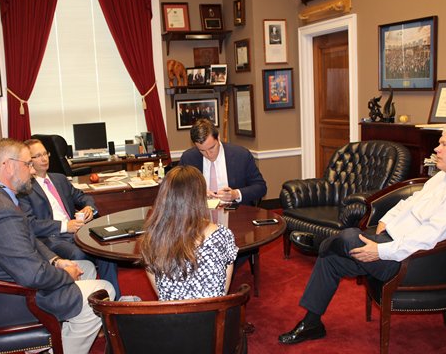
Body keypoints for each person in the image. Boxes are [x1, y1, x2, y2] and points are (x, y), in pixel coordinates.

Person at [278, 125, 446, 345]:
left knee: (349, 237)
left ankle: (319, 243)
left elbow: (428, 238)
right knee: (332, 256)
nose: (437, 149)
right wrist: (387, 219)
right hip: (395, 242)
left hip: (412, 263)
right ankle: (311, 323)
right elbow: (409, 202)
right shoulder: (444, 177)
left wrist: (380, 251)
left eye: (444, 144)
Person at [0, 138, 115, 354]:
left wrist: (56, 260)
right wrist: (65, 274)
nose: (32, 170)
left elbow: (28, 238)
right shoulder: (0, 210)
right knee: (102, 291)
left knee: (85, 267)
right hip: (5, 302)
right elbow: (33, 275)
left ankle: (50, 349)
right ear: (9, 166)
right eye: (27, 164)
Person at [18, 138, 122, 297]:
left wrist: (89, 207)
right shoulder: (25, 188)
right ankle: (86, 299)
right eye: (37, 156)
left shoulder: (59, 179)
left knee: (106, 252)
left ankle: (114, 301)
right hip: (52, 237)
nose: (44, 159)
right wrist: (65, 226)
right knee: (78, 255)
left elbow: (83, 197)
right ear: (28, 161)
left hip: (78, 231)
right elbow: (31, 224)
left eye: (45, 154)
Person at [140, 165, 238, 300]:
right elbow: (222, 292)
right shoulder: (223, 236)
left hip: (172, 313)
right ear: (201, 197)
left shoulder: (151, 240)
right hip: (212, 313)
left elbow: (162, 294)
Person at [179, 118, 267, 206]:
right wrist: (198, 194)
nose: (209, 154)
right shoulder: (188, 158)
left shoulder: (241, 155)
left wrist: (235, 194)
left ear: (218, 137)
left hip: (235, 211)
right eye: (202, 150)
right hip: (200, 211)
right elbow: (177, 190)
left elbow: (260, 187)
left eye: (211, 148)